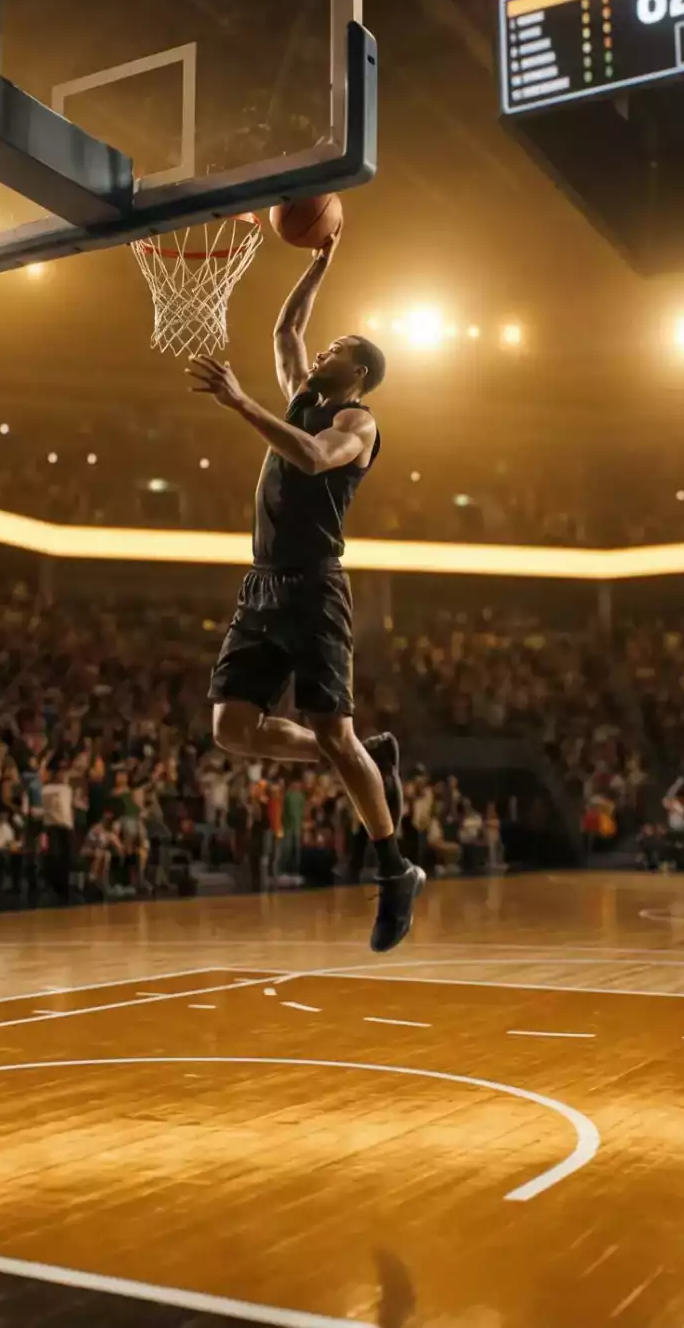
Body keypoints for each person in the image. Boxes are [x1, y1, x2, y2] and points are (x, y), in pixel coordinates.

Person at [185, 232, 417, 952]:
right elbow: (286, 328)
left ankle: (393, 868)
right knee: (230, 728)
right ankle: (365, 761)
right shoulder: (303, 391)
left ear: (360, 371)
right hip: (262, 586)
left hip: (316, 588)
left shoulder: (356, 422)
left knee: (334, 733)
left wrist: (238, 401)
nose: (318, 354)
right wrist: (320, 262)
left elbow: (315, 458)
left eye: (334, 350)